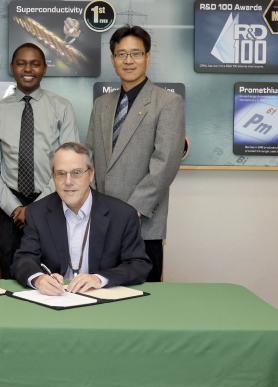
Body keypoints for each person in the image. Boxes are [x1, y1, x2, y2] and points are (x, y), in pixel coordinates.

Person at [86, 25, 184, 282]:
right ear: (113, 59)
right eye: (121, 54)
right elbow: (90, 157)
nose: (128, 61)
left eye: (136, 54)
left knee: (145, 300)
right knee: (102, 292)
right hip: (102, 221)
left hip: (143, 223)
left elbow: (166, 162)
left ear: (147, 57)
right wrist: (95, 206)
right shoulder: (101, 105)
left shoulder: (167, 102)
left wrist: (131, 211)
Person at [0, 43, 80, 278]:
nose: (28, 69)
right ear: (12, 68)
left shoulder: (62, 108)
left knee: (52, 275)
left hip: (52, 202)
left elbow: (69, 166)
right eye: (21, 63)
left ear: (44, 68)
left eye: (35, 63)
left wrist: (36, 208)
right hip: (11, 210)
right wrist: (15, 208)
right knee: (11, 276)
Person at [12, 143, 151, 295]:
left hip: (102, 300)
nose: (68, 181)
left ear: (91, 175)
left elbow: (138, 265)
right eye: (61, 173)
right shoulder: (37, 212)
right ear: (53, 176)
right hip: (55, 300)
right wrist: (39, 279)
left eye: (76, 172)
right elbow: (24, 258)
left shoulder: (123, 215)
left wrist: (99, 279)